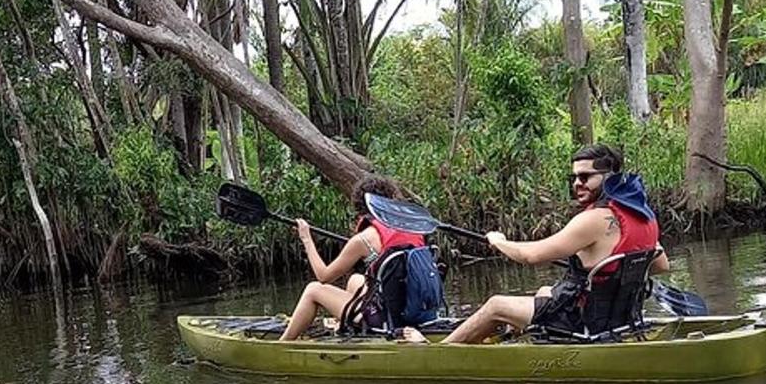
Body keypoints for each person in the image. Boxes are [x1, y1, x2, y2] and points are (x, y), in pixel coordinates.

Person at [404, 143, 668, 344]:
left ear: (610, 177)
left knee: (496, 304)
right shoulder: (643, 216)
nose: (577, 184)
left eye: (586, 177)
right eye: (574, 178)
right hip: (621, 320)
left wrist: (500, 242)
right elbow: (660, 264)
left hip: (583, 323)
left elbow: (531, 256)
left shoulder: (593, 219)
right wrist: (602, 267)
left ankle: (440, 351)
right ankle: (508, 339)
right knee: (545, 290)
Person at [280, 175, 427, 341]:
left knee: (313, 289)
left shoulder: (362, 240)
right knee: (355, 279)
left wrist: (306, 238)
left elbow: (324, 276)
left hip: (385, 319)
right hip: (414, 309)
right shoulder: (411, 229)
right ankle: (350, 327)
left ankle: (282, 344)